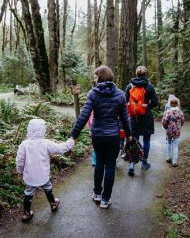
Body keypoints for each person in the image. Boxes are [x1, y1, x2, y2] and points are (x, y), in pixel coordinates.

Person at [70, 66, 132, 209]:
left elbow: (84, 115)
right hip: (113, 136)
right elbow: (125, 118)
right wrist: (129, 136)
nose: (93, 79)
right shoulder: (120, 94)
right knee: (110, 165)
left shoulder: (93, 93)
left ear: (101, 77)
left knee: (99, 163)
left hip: (98, 134)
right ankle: (105, 199)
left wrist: (74, 135)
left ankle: (97, 193)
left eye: (95, 76)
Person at [16, 118, 75, 221]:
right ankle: (53, 203)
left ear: (29, 129)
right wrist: (71, 141)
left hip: (30, 175)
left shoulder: (24, 144)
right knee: (47, 187)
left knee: (28, 192)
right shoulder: (45, 143)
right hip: (43, 174)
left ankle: (26, 213)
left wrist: (19, 170)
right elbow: (61, 149)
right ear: (43, 129)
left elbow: (20, 160)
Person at [125, 66, 158, 176]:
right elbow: (155, 102)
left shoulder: (130, 86)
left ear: (136, 73)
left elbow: (125, 101)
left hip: (134, 117)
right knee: (146, 140)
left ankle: (132, 165)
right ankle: (144, 163)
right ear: (145, 74)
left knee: (133, 140)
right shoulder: (149, 86)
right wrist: (147, 106)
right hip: (146, 116)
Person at [162, 97, 184, 167]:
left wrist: (166, 128)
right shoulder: (180, 112)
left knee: (168, 143)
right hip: (177, 131)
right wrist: (179, 127)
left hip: (169, 131)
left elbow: (164, 122)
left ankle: (168, 158)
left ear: (170, 104)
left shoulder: (168, 112)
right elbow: (182, 121)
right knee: (175, 146)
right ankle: (174, 161)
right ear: (178, 104)